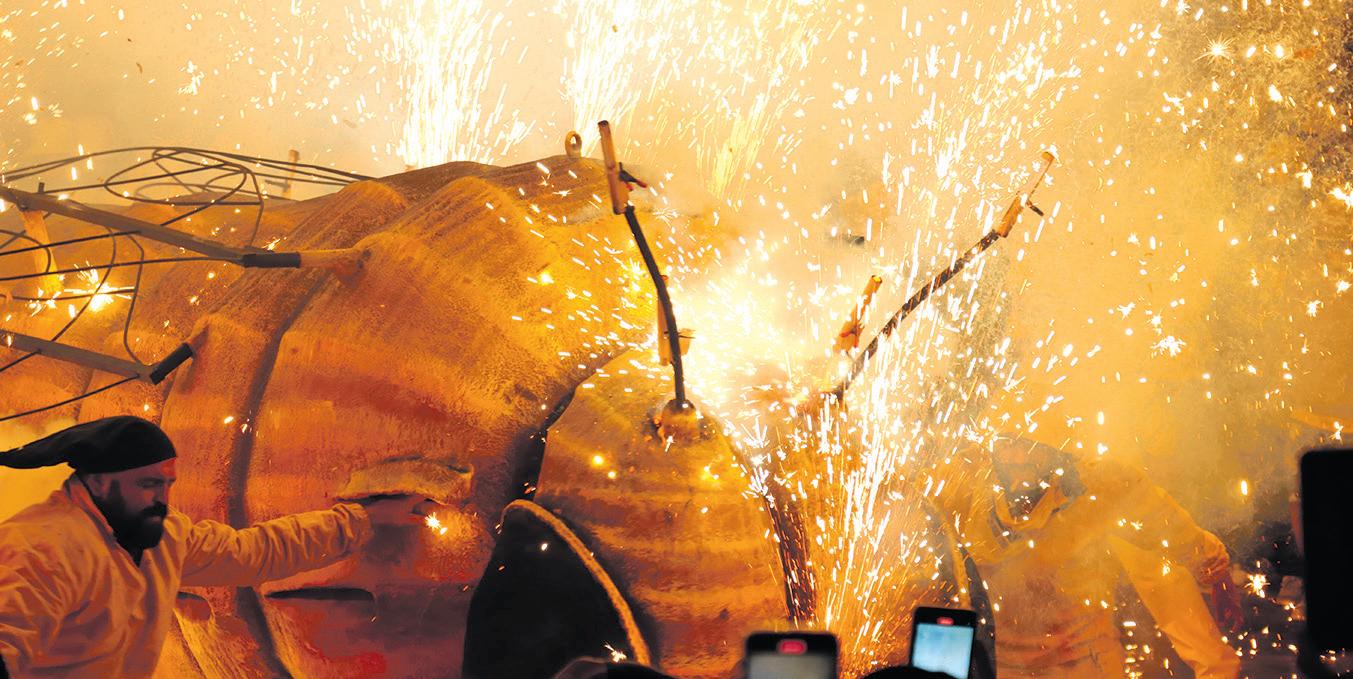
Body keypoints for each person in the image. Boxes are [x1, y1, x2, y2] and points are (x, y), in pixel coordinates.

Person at [0, 416, 433, 678]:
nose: (162, 499)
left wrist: (364, 519)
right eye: (147, 484)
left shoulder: (162, 535)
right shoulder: (43, 548)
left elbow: (253, 553)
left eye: (168, 484)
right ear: (97, 481)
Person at [938, 434, 1242, 679]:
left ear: (1057, 450)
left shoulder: (1100, 486)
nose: (1018, 458)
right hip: (1005, 669)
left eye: (1031, 447)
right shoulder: (965, 485)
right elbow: (914, 507)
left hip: (1087, 666)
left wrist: (1215, 570)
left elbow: (1174, 540)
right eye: (1008, 444)